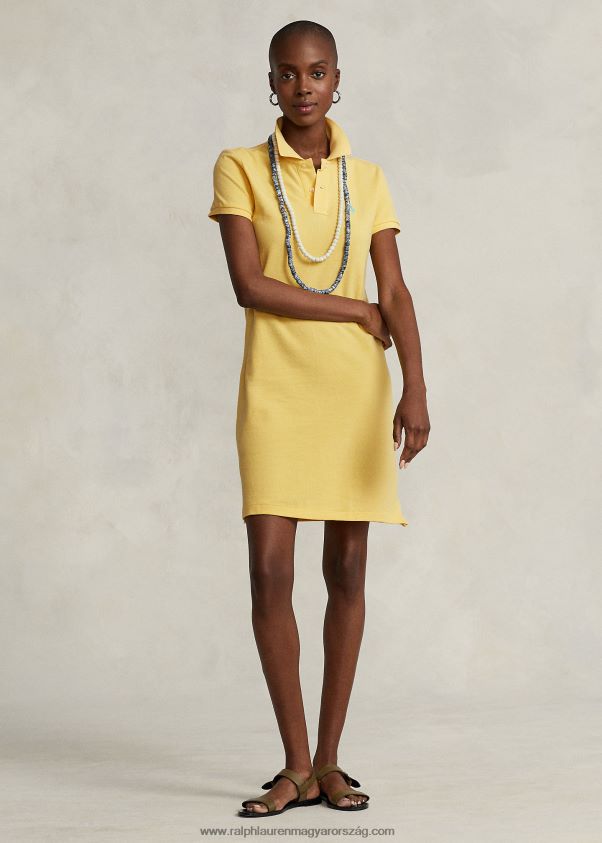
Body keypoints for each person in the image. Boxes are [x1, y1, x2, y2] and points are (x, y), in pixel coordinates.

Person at [208, 20, 430, 817]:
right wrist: (354, 310)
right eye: (288, 73)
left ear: (338, 79)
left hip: (352, 392)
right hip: (277, 387)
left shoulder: (367, 177)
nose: (303, 86)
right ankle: (294, 763)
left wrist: (415, 385)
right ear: (271, 82)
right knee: (270, 570)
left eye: (318, 71)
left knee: (347, 571)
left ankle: (329, 761)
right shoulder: (239, 167)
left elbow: (394, 290)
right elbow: (249, 284)